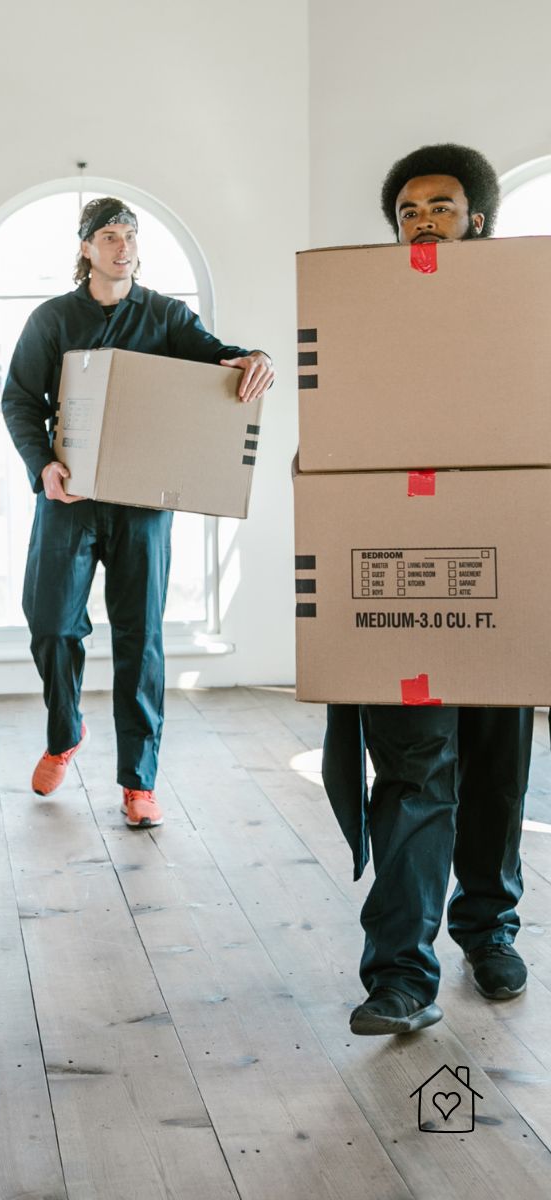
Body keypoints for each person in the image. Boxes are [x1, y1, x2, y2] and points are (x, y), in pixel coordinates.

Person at [323, 143, 533, 1036]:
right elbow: (334, 436)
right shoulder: (362, 320)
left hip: (504, 576)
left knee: (494, 773)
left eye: (440, 207)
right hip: (400, 580)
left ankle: (488, 932)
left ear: (477, 218)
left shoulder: (527, 312)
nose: (422, 220)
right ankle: (401, 974)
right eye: (408, 210)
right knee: (411, 774)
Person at [1, 196, 273, 829]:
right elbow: (18, 400)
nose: (124, 247)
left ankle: (138, 781)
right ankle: (65, 732)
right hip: (69, 498)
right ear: (86, 248)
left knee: (140, 639)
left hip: (144, 505)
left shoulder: (167, 315)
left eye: (131, 236)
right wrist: (44, 466)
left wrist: (254, 357)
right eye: (111, 236)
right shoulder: (52, 320)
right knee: (50, 623)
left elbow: (217, 358)